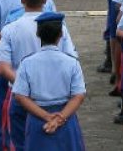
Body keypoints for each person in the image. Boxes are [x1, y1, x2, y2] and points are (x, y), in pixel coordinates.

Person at [13, 12, 86, 150]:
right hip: (66, 117)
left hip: (37, 118)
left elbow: (20, 96)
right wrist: (59, 119)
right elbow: (78, 96)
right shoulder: (72, 63)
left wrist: (47, 117)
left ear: (38, 34)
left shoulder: (27, 63)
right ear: (61, 35)